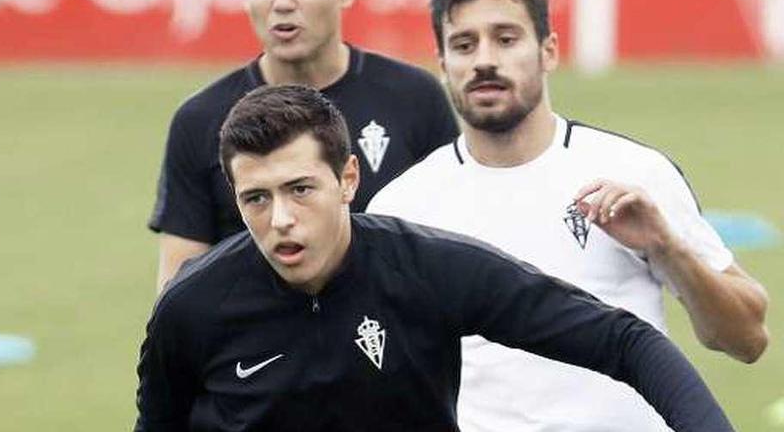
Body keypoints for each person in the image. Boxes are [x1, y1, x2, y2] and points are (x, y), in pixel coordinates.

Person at [134, 84, 734, 432]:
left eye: (300, 189)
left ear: (347, 180)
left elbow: (626, 342)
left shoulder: (425, 268)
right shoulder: (193, 306)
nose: (280, 220)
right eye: (255, 199)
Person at [367, 0, 770, 432]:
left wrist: (667, 249)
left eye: (506, 38)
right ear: (442, 65)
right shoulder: (401, 209)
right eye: (464, 44)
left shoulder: (635, 173)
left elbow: (747, 339)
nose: (485, 60)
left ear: (549, 51)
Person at [147, 0, 459, 292]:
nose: (282, 2)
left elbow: (455, 251)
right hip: (256, 345)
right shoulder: (200, 120)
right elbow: (177, 293)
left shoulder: (415, 98)